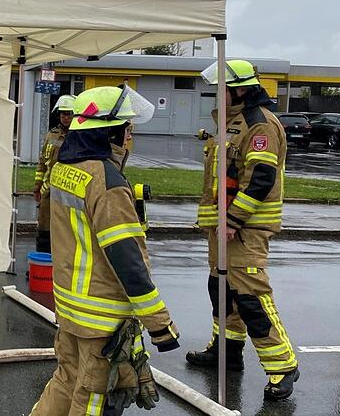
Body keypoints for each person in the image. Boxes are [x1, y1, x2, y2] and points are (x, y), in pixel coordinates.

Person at [31, 86, 180, 415]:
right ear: (112, 132)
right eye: (128, 129)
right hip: (102, 317)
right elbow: (127, 260)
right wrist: (160, 325)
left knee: (65, 379)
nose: (130, 137)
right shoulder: (107, 181)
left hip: (69, 306)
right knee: (94, 395)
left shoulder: (64, 169)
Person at [186, 59, 300, 401]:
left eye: (220, 90)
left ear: (237, 90)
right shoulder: (231, 122)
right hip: (223, 227)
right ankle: (226, 351)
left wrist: (234, 220)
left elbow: (260, 179)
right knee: (222, 289)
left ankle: (283, 366)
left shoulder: (259, 124)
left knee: (250, 296)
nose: (215, 96)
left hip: (245, 227)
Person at [33, 95, 75, 252]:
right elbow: (43, 161)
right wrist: (37, 186)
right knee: (44, 226)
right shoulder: (51, 135)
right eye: (63, 113)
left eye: (69, 113)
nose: (65, 117)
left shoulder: (78, 136)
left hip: (68, 190)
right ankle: (42, 262)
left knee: (65, 229)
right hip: (48, 191)